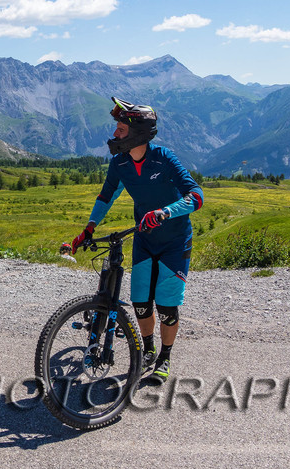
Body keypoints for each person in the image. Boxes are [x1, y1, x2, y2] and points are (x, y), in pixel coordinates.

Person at [61, 98, 202, 382]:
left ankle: (165, 355)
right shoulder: (121, 163)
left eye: (121, 129)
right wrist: (88, 228)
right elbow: (106, 196)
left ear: (138, 132)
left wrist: (165, 212)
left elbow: (196, 196)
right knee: (140, 304)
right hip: (145, 240)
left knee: (166, 307)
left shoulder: (164, 158)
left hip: (174, 241)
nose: (115, 134)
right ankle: (147, 349)